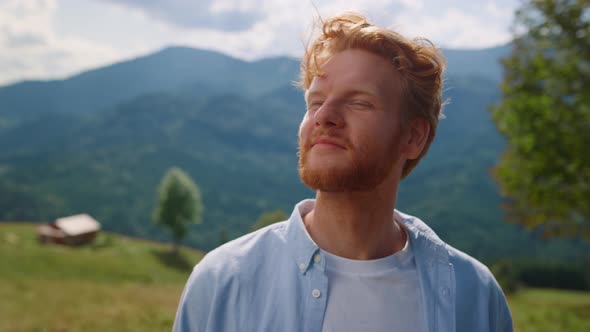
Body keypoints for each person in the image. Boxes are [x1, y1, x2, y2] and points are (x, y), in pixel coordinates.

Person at [173, 12, 513, 332]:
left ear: (412, 137)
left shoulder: (475, 296)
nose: (324, 116)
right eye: (315, 102)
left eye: (359, 102)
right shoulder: (223, 281)